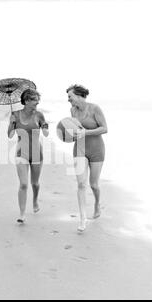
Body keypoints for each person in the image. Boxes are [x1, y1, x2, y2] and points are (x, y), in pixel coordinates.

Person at [66, 84, 108, 232]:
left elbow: (104, 128)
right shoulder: (73, 110)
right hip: (79, 149)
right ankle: (82, 219)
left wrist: (86, 133)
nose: (69, 100)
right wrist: (69, 135)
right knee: (81, 184)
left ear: (78, 96)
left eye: (70, 97)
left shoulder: (95, 109)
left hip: (96, 150)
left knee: (94, 184)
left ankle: (97, 203)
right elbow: (76, 130)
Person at [8, 88, 49, 224]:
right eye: (35, 100)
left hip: (37, 153)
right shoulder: (14, 114)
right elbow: (10, 135)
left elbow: (46, 133)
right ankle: (22, 214)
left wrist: (45, 126)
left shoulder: (39, 115)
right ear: (26, 101)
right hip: (21, 153)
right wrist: (12, 123)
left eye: (38, 100)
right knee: (24, 184)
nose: (37, 103)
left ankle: (35, 200)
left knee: (35, 183)